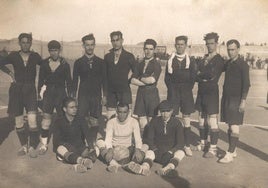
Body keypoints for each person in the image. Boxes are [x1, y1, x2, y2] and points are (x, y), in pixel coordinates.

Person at [0, 33, 42, 158]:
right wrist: (10, 73)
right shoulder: (13, 55)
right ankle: (24, 145)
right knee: (18, 121)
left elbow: (46, 66)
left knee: (32, 120)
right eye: (23, 42)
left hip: (30, 90)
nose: (25, 44)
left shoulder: (35, 56)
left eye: (27, 42)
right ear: (19, 43)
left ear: (31, 43)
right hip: (16, 90)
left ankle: (33, 146)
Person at [124, 100, 185, 178]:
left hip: (170, 154)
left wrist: (171, 151)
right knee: (149, 152)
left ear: (172, 111)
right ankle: (144, 167)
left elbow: (180, 142)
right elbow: (149, 139)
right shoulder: (154, 121)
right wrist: (154, 149)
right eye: (162, 111)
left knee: (180, 152)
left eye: (167, 111)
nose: (165, 114)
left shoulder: (177, 123)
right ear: (159, 111)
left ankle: (168, 167)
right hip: (156, 151)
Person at [38, 40, 73, 155]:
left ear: (59, 51)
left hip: (60, 93)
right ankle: (44, 144)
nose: (53, 53)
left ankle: (64, 143)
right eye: (51, 50)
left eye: (56, 50)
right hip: (48, 94)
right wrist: (40, 94)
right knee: (46, 119)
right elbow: (40, 80)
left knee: (62, 118)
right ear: (49, 51)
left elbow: (69, 82)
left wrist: (70, 97)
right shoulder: (44, 64)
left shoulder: (65, 64)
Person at [164, 36, 197, 156]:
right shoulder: (170, 60)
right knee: (171, 117)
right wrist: (173, 90)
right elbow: (167, 79)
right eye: (177, 44)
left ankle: (187, 145)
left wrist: (186, 89)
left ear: (186, 45)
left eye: (182, 44)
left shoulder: (191, 60)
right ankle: (172, 144)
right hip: (173, 92)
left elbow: (193, 78)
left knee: (186, 119)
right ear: (175, 45)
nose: (179, 46)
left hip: (186, 92)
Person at [219, 39, 250, 163]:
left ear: (238, 49)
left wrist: (243, 101)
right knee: (229, 124)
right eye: (229, 49)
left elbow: (247, 84)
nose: (230, 52)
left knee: (234, 125)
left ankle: (230, 153)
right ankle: (234, 149)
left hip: (236, 99)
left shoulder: (243, 65)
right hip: (227, 98)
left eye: (233, 49)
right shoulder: (228, 63)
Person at [195, 32, 225, 158]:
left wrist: (201, 74)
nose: (209, 46)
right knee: (201, 120)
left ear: (216, 44)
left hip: (212, 92)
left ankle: (213, 148)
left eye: (212, 43)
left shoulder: (219, 60)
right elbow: (196, 75)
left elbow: (212, 76)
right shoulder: (204, 58)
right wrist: (201, 75)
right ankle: (202, 143)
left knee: (212, 120)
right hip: (201, 91)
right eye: (207, 43)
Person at [95, 103, 147, 173]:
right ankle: (113, 163)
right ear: (116, 112)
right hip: (114, 148)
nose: (122, 115)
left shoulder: (134, 122)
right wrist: (110, 150)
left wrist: (137, 150)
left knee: (141, 154)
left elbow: (138, 139)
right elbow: (108, 139)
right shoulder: (111, 122)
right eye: (120, 112)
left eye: (124, 112)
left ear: (128, 112)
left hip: (128, 148)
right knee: (100, 143)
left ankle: (130, 164)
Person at [73, 34, 107, 138]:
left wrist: (104, 96)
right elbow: (74, 81)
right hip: (83, 95)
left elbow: (105, 81)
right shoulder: (78, 62)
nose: (90, 47)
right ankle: (82, 141)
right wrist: (74, 97)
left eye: (92, 45)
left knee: (95, 120)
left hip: (96, 96)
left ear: (94, 45)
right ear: (83, 46)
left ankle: (92, 142)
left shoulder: (101, 62)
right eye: (87, 45)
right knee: (81, 118)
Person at [53, 97, 98, 173]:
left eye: (76, 107)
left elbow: (87, 134)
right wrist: (68, 147)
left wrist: (91, 148)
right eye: (71, 107)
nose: (75, 109)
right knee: (60, 149)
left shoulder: (81, 119)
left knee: (96, 151)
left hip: (79, 147)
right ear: (64, 109)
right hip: (67, 148)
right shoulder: (59, 121)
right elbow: (56, 141)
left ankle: (76, 161)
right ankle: (81, 161)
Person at [131, 39, 161, 136]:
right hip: (141, 94)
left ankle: (152, 141)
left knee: (152, 120)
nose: (148, 51)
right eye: (146, 49)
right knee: (141, 119)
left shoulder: (156, 64)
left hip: (152, 95)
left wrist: (140, 78)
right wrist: (144, 80)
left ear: (154, 50)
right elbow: (132, 80)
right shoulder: (139, 63)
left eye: (151, 49)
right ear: (144, 49)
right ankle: (144, 140)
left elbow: (152, 80)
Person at [104, 31, 136, 119]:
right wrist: (105, 95)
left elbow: (136, 71)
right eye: (113, 41)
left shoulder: (129, 56)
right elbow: (105, 77)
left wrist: (129, 80)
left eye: (117, 40)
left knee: (126, 118)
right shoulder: (107, 56)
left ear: (122, 40)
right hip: (111, 92)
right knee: (110, 118)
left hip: (124, 91)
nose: (115, 43)